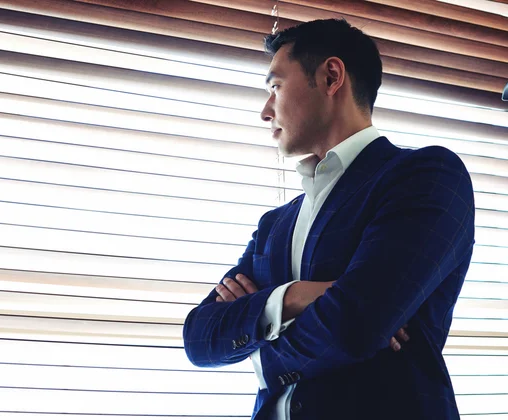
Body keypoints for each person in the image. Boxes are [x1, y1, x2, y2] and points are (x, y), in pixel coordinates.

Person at [183, 18, 475, 420]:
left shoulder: (427, 175)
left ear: (331, 76)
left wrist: (260, 343)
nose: (265, 111)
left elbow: (355, 324)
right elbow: (200, 338)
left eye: (275, 87)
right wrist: (297, 296)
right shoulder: (274, 225)